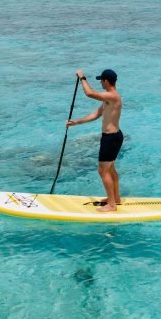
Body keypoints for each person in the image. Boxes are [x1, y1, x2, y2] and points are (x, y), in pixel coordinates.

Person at [66, 68, 123, 212]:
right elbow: (96, 114)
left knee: (102, 171)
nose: (100, 84)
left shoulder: (112, 96)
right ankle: (115, 198)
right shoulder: (109, 99)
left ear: (105, 81)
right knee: (110, 169)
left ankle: (111, 205)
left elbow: (89, 93)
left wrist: (82, 78)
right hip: (113, 137)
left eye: (101, 81)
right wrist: (76, 122)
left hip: (111, 138)